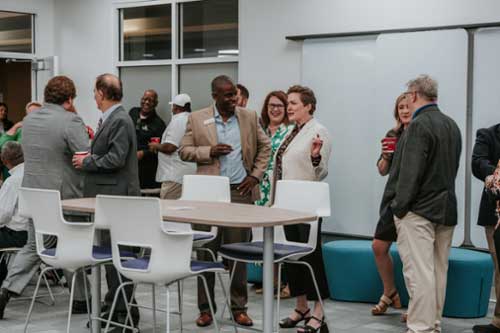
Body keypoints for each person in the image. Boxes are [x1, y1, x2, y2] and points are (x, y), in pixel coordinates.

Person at [179, 75, 271, 327]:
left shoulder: (249, 116)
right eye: (228, 95)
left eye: (235, 94)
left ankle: (239, 307)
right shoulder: (196, 118)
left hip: (240, 192)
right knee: (206, 251)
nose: (234, 99)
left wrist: (255, 176)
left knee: (239, 253)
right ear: (215, 96)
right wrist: (209, 151)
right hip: (207, 196)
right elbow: (184, 150)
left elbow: (266, 147)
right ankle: (205, 308)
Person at [0, 76, 91, 320]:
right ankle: (81, 300)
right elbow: (85, 156)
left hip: (33, 195)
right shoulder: (71, 120)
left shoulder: (28, 121)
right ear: (70, 99)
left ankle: (6, 289)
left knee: (33, 246)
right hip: (65, 196)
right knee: (74, 244)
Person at [388, 75, 461, 333]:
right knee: (438, 272)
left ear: (415, 94)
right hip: (446, 209)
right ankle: (433, 323)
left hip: (418, 211)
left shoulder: (418, 126)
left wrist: (399, 208)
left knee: (419, 273)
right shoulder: (452, 125)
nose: (407, 100)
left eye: (408, 96)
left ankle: (420, 327)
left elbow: (411, 173)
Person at [72, 73, 141, 329]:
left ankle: (119, 314)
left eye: (94, 92)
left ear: (101, 92)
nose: (93, 96)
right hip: (109, 198)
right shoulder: (113, 118)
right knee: (113, 260)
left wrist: (86, 161)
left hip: (118, 199)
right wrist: (90, 153)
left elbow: (116, 159)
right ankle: (122, 313)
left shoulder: (120, 119)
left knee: (118, 260)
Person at [275, 85, 332, 333]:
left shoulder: (318, 131)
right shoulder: (291, 132)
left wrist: (316, 157)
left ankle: (318, 310)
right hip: (287, 204)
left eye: (294, 103)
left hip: (307, 205)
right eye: (288, 103)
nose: (289, 107)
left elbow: (321, 170)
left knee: (311, 256)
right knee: (291, 256)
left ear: (308, 106)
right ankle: (301, 308)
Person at [371, 93, 412, 316]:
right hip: (392, 198)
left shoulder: (419, 133)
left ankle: (417, 304)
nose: (404, 111)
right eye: (400, 108)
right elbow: (381, 170)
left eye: (407, 107)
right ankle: (390, 291)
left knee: (411, 254)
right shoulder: (393, 134)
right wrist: (386, 155)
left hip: (412, 202)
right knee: (378, 246)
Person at [471, 120, 500, 333]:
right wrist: (494, 174)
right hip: (495, 210)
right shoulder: (488, 134)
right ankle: (498, 320)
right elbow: (478, 161)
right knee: (499, 265)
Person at [149, 93, 195, 199]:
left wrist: (155, 145)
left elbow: (170, 147)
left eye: (173, 106)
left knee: (168, 208)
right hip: (185, 174)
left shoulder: (178, 120)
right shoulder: (190, 118)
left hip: (174, 175)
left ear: (176, 107)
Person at [0, 142, 28, 285]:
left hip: (17, 235)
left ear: (4, 161)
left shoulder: (12, 181)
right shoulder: (32, 175)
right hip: (35, 234)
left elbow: (2, 215)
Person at [128, 89, 166, 189]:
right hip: (128, 163)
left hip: (146, 168)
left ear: (155, 104)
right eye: (144, 99)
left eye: (150, 100)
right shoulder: (133, 113)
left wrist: (143, 153)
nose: (147, 102)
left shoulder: (158, 124)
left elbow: (156, 148)